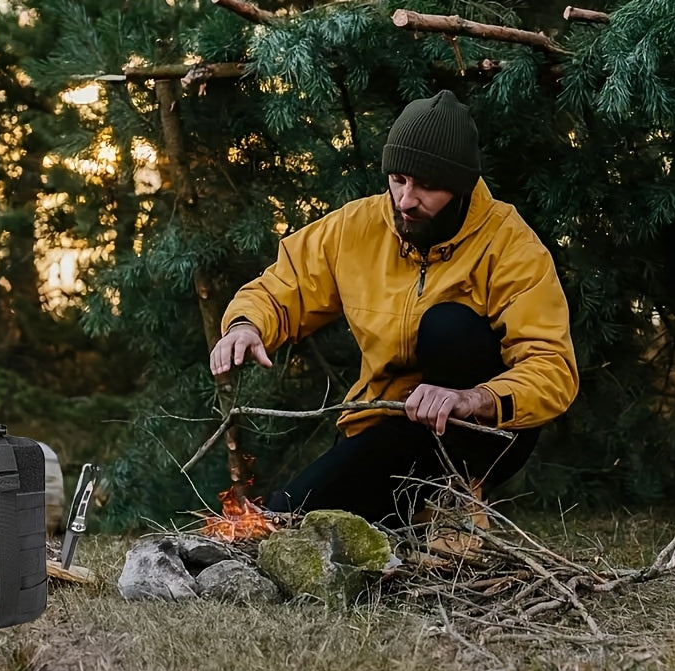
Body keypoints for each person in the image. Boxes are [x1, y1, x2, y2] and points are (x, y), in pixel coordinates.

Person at [209, 90, 579, 526]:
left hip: (483, 430)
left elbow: (552, 368)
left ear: (460, 187)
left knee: (448, 326)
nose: (405, 199)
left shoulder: (511, 244)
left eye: (427, 186)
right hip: (387, 426)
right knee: (286, 516)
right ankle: (409, 516)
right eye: (399, 179)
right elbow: (283, 286)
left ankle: (457, 501)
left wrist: (471, 398)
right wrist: (246, 325)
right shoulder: (356, 227)